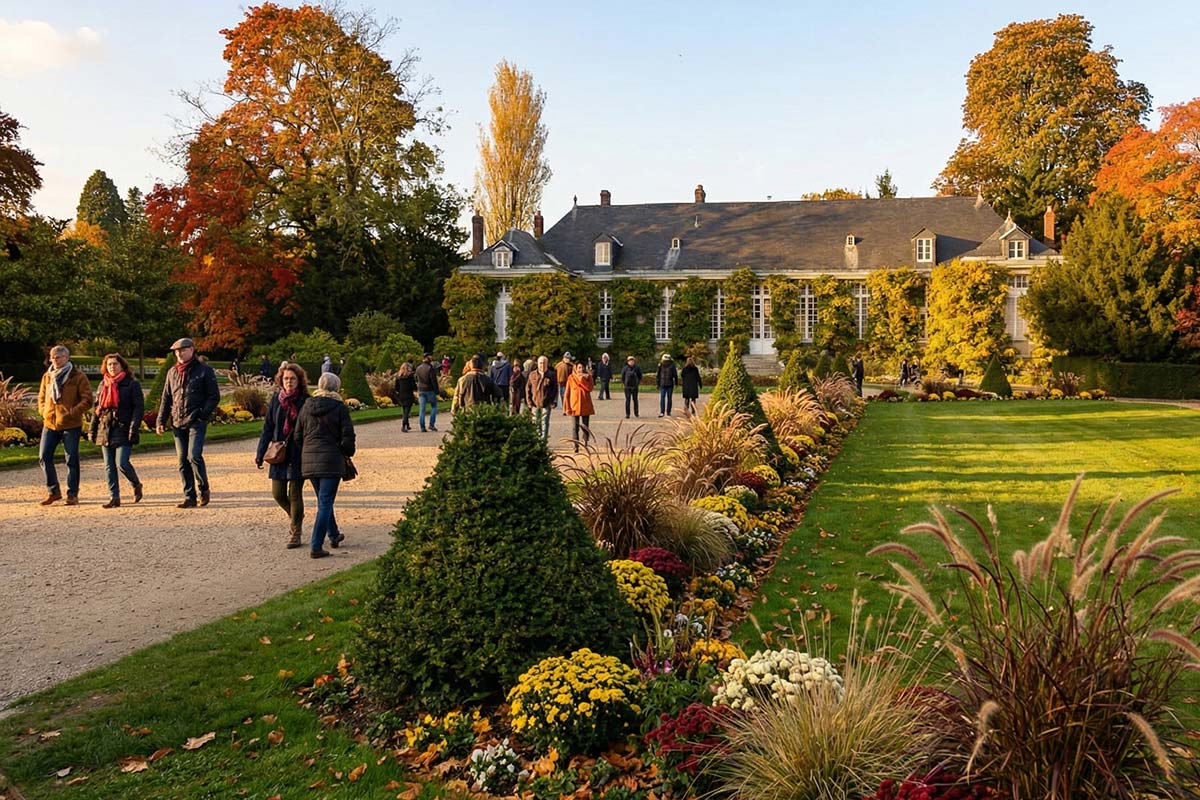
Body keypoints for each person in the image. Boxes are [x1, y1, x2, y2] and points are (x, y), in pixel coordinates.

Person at [295, 372, 355, 559]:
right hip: (331, 459)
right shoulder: (339, 407)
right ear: (336, 387)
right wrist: (346, 452)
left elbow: (298, 436)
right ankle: (316, 545)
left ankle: (334, 534)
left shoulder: (306, 406)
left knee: (323, 501)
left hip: (309, 460)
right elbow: (348, 437)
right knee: (326, 502)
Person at [156, 337, 220, 508]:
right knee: (182, 460)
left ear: (192, 350)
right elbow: (166, 398)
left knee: (194, 455)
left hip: (195, 420)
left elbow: (214, 396)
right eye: (176, 351)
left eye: (182, 350)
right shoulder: (172, 372)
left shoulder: (204, 371)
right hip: (177, 421)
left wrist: (202, 415)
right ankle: (189, 496)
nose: (179, 353)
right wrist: (161, 420)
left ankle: (203, 488)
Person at [255, 363, 309, 548]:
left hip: (297, 451)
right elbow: (268, 427)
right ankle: (297, 516)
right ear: (281, 380)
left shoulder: (305, 401)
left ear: (299, 381)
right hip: (279, 451)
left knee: (295, 493)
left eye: (293, 378)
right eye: (286, 378)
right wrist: (260, 452)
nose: (289, 382)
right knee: (277, 493)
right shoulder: (276, 400)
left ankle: (296, 532)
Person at [36, 345, 93, 505]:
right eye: (53, 357)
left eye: (59, 357)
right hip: (50, 423)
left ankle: (72, 494)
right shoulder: (47, 377)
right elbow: (41, 397)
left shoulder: (77, 376)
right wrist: (43, 411)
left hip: (70, 423)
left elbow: (87, 399)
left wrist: (72, 412)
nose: (55, 360)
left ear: (67, 358)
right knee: (44, 456)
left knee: (71, 459)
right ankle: (53, 491)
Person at [88, 353, 145, 508]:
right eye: (109, 364)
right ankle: (114, 497)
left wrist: (133, 428)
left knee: (122, 463)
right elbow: (96, 409)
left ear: (122, 366)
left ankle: (136, 484)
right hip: (106, 427)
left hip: (123, 427)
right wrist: (92, 429)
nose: (112, 367)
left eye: (115, 364)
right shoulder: (103, 384)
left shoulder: (131, 384)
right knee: (109, 465)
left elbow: (138, 408)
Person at [563, 360, 595, 453]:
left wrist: (585, 378)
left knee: (585, 426)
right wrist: (567, 407)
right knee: (574, 427)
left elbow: (590, 388)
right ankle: (576, 445)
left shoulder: (588, 377)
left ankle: (585, 443)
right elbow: (567, 393)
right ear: (575, 368)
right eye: (579, 367)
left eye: (582, 368)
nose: (581, 370)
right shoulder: (571, 378)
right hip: (574, 405)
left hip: (585, 404)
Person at [525, 355, 557, 439]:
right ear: (538, 364)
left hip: (546, 404)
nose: (542, 365)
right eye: (540, 363)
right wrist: (529, 402)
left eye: (544, 363)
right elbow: (527, 388)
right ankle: (537, 441)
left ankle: (543, 442)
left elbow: (555, 389)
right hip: (534, 404)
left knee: (544, 423)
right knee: (535, 423)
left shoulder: (551, 375)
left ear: (547, 364)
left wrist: (552, 402)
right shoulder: (532, 374)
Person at [415, 353, 440, 432]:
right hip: (429, 390)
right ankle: (431, 424)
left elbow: (416, 378)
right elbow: (433, 380)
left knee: (422, 409)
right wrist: (437, 391)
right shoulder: (430, 368)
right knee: (434, 406)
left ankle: (422, 426)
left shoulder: (418, 368)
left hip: (421, 389)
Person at [393, 361, 416, 432]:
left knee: (404, 409)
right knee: (407, 411)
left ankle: (407, 424)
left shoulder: (398, 377)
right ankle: (403, 425)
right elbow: (413, 386)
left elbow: (396, 387)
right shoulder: (410, 377)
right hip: (408, 394)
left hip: (401, 395)